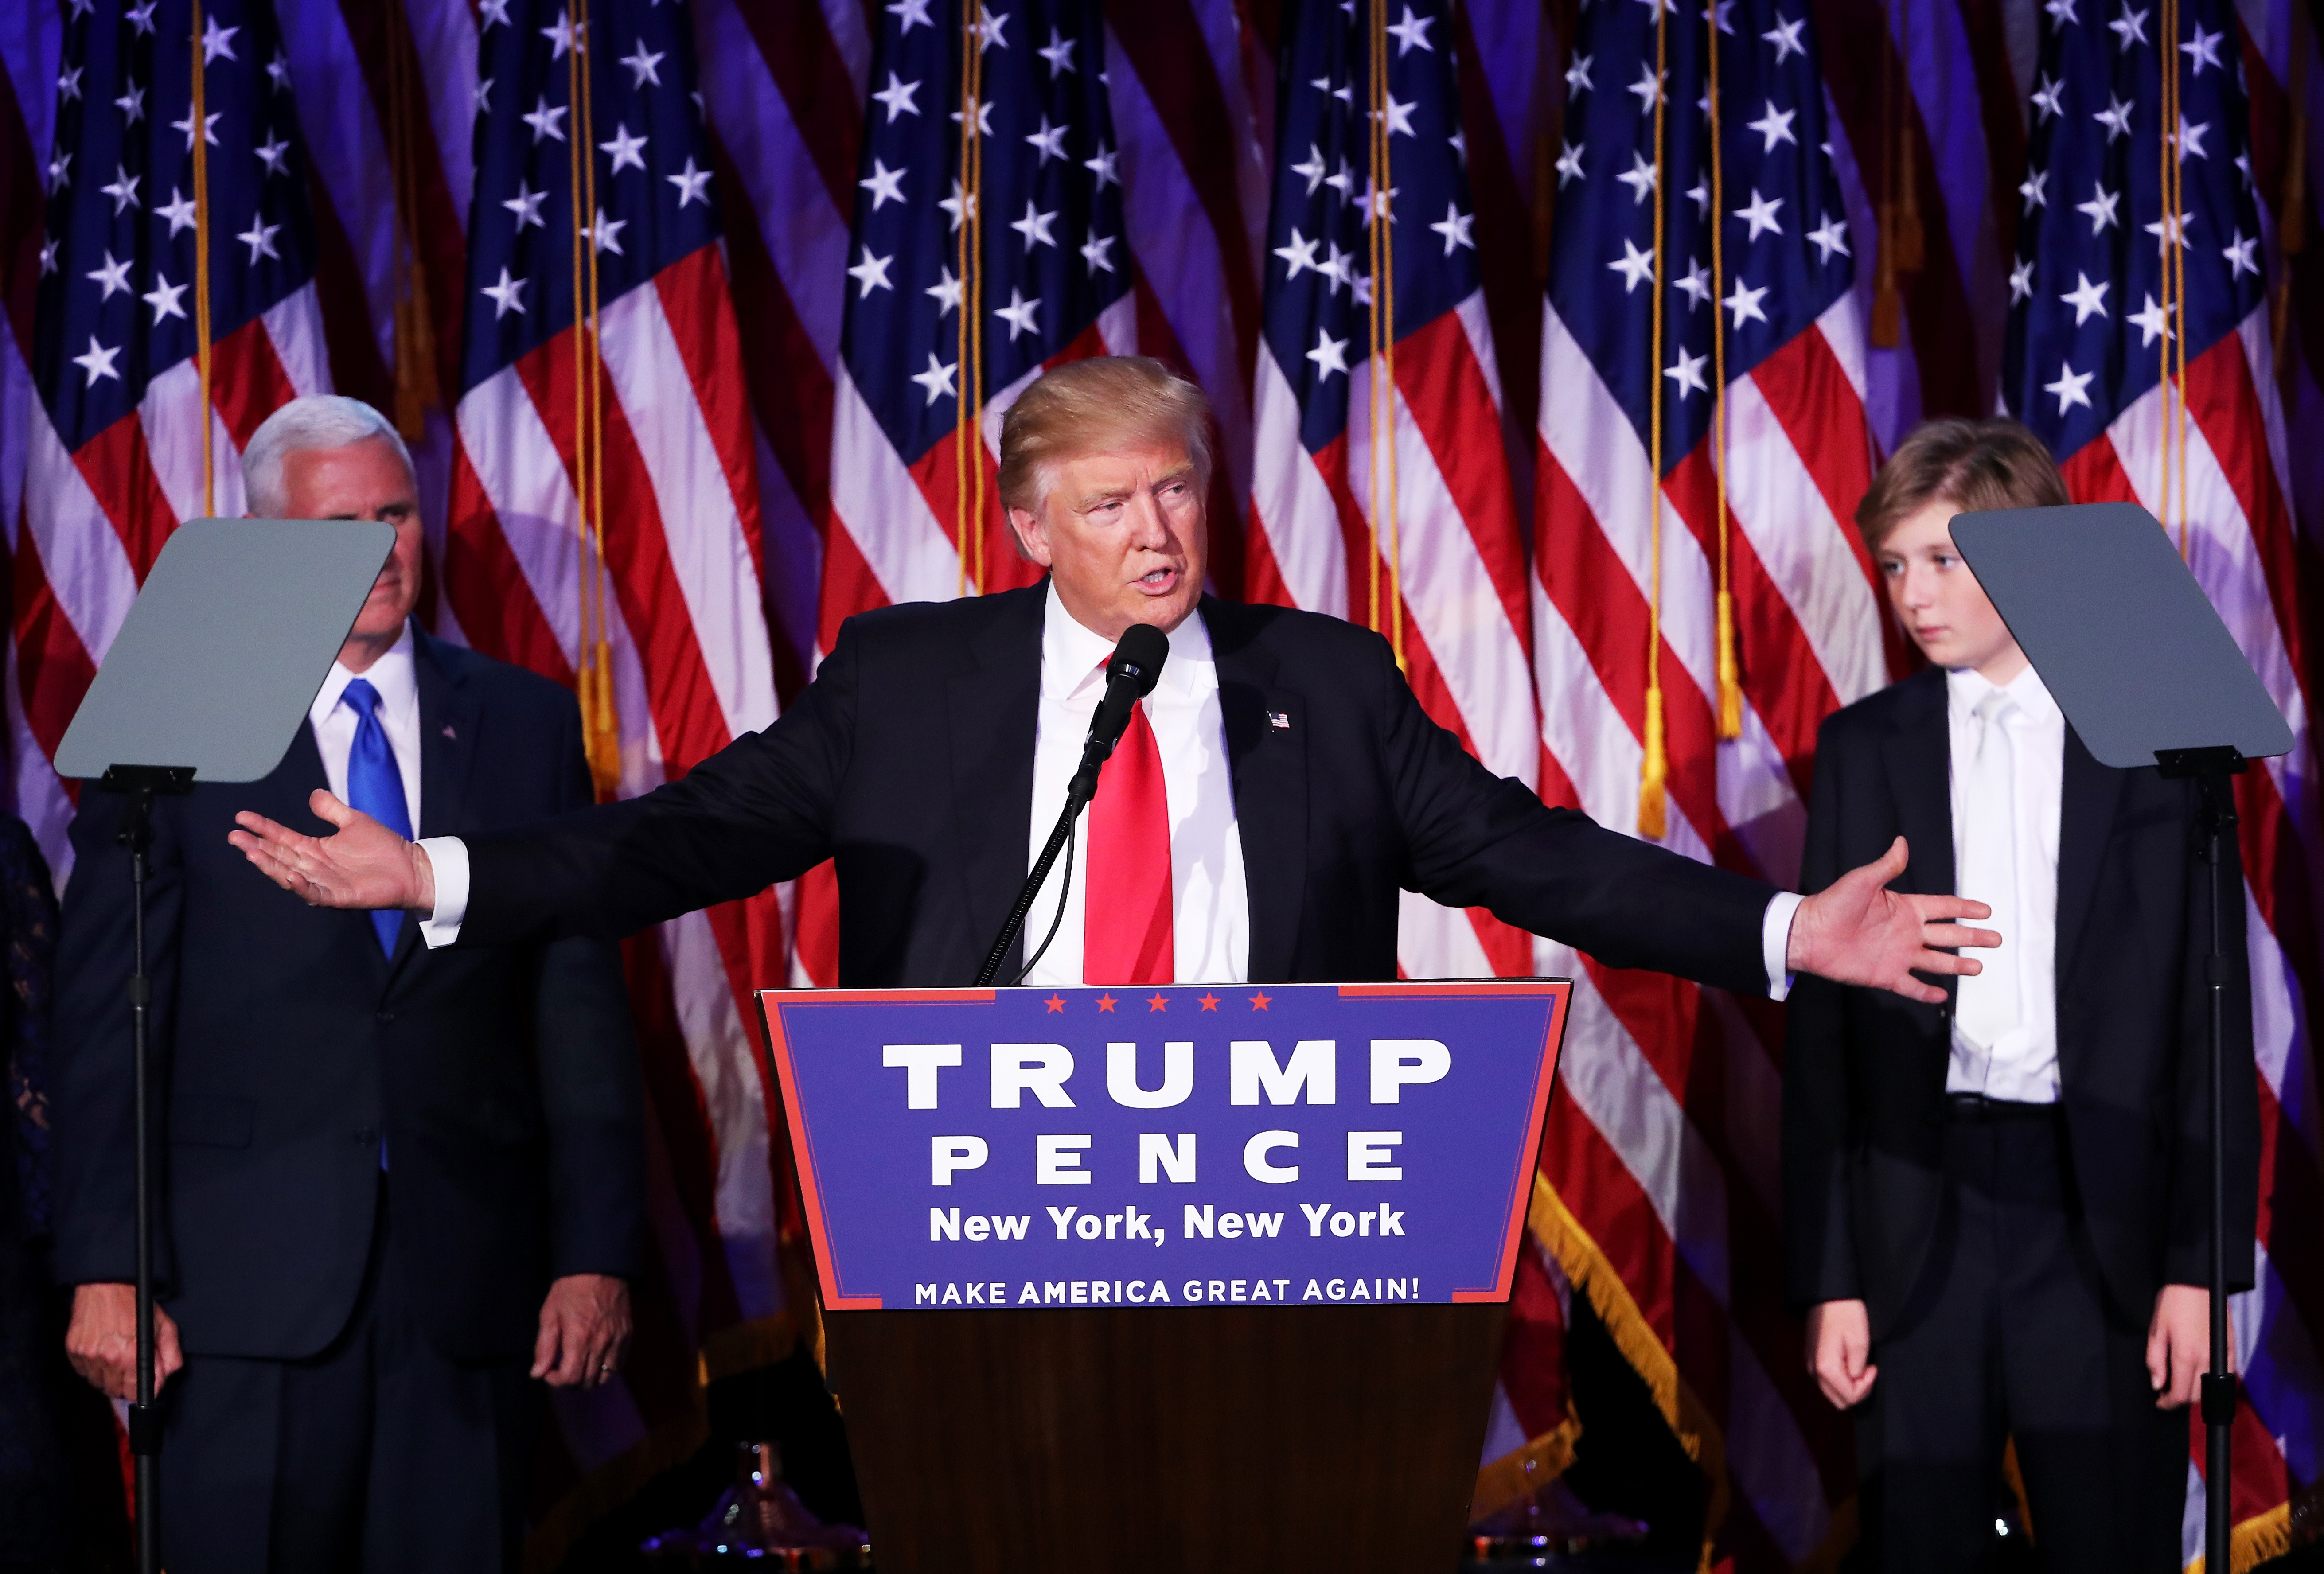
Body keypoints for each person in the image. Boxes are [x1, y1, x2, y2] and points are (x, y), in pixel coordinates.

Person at [229, 355, 1991, 1010]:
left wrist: (1783, 930)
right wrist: (435, 873)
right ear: (1029, 527)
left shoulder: (1324, 682)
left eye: (1177, 491)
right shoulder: (906, 682)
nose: (1157, 533)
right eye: (1109, 505)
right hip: (988, 1227)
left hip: (1273, 1229)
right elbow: (678, 840)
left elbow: (1538, 858)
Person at [51, 397, 649, 1574]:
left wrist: (595, 1251)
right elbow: (107, 1016)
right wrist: (106, 1265)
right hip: (237, 1289)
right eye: (339, 527)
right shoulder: (174, 725)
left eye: (396, 514)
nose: (380, 550)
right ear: (263, 547)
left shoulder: (524, 722)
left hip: (469, 1286)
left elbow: (575, 1007)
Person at [1782, 419, 2258, 1571]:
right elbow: (1825, 1041)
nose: (1913, 595)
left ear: (2034, 557)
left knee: (2111, 1539)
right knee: (1919, 1544)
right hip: (1918, 1210)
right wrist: (1833, 1280)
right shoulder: (1863, 747)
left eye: (1943, 560)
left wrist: (2197, 1268)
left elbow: (2208, 1021)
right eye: (1894, 565)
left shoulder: (2159, 745)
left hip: (2099, 1220)